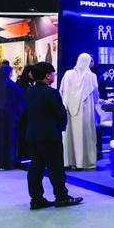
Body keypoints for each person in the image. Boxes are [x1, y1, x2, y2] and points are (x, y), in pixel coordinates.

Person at [24, 62, 83, 210]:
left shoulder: (29, 91)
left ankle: (36, 199)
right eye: (53, 73)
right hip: (49, 135)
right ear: (47, 75)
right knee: (55, 167)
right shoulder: (51, 92)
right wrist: (62, 126)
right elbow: (60, 112)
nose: (54, 75)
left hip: (32, 134)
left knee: (36, 168)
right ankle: (61, 196)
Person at [60, 53, 98, 170]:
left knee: (69, 135)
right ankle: (83, 162)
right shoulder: (91, 76)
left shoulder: (68, 74)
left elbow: (61, 91)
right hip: (85, 111)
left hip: (68, 110)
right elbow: (95, 96)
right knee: (85, 134)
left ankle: (68, 161)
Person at [0, 66, 24, 170]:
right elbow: (22, 97)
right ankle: (7, 162)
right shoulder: (12, 86)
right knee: (8, 138)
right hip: (10, 118)